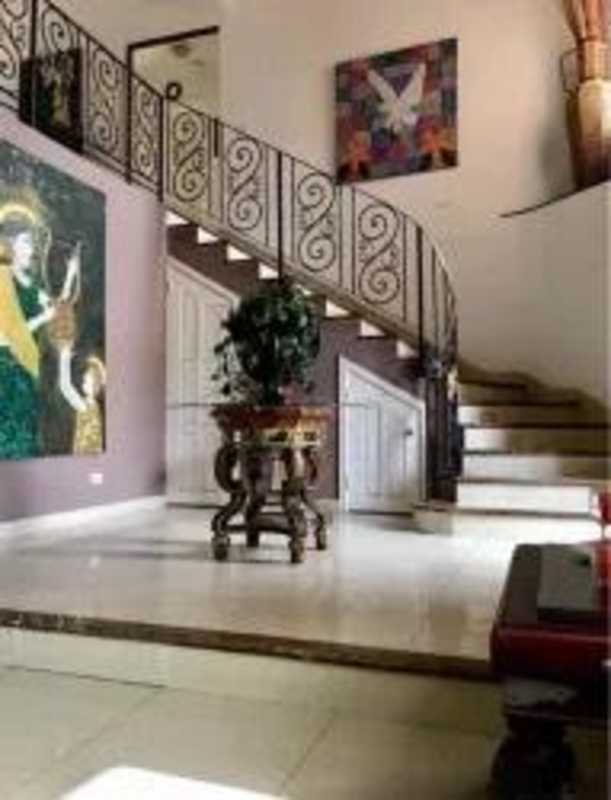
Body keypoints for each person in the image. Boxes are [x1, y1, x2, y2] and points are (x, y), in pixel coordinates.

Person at [0, 226, 56, 459]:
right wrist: (43, 317)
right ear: (10, 245)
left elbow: (55, 304)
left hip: (28, 367)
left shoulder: (31, 285)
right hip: (7, 367)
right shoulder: (2, 279)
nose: (31, 248)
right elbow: (3, 336)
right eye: (26, 242)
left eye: (32, 243)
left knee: (29, 431)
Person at [58, 345, 106, 455]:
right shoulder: (94, 407)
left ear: (94, 385)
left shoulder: (86, 407)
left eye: (86, 379)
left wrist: (64, 359)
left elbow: (65, 387)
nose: (83, 379)